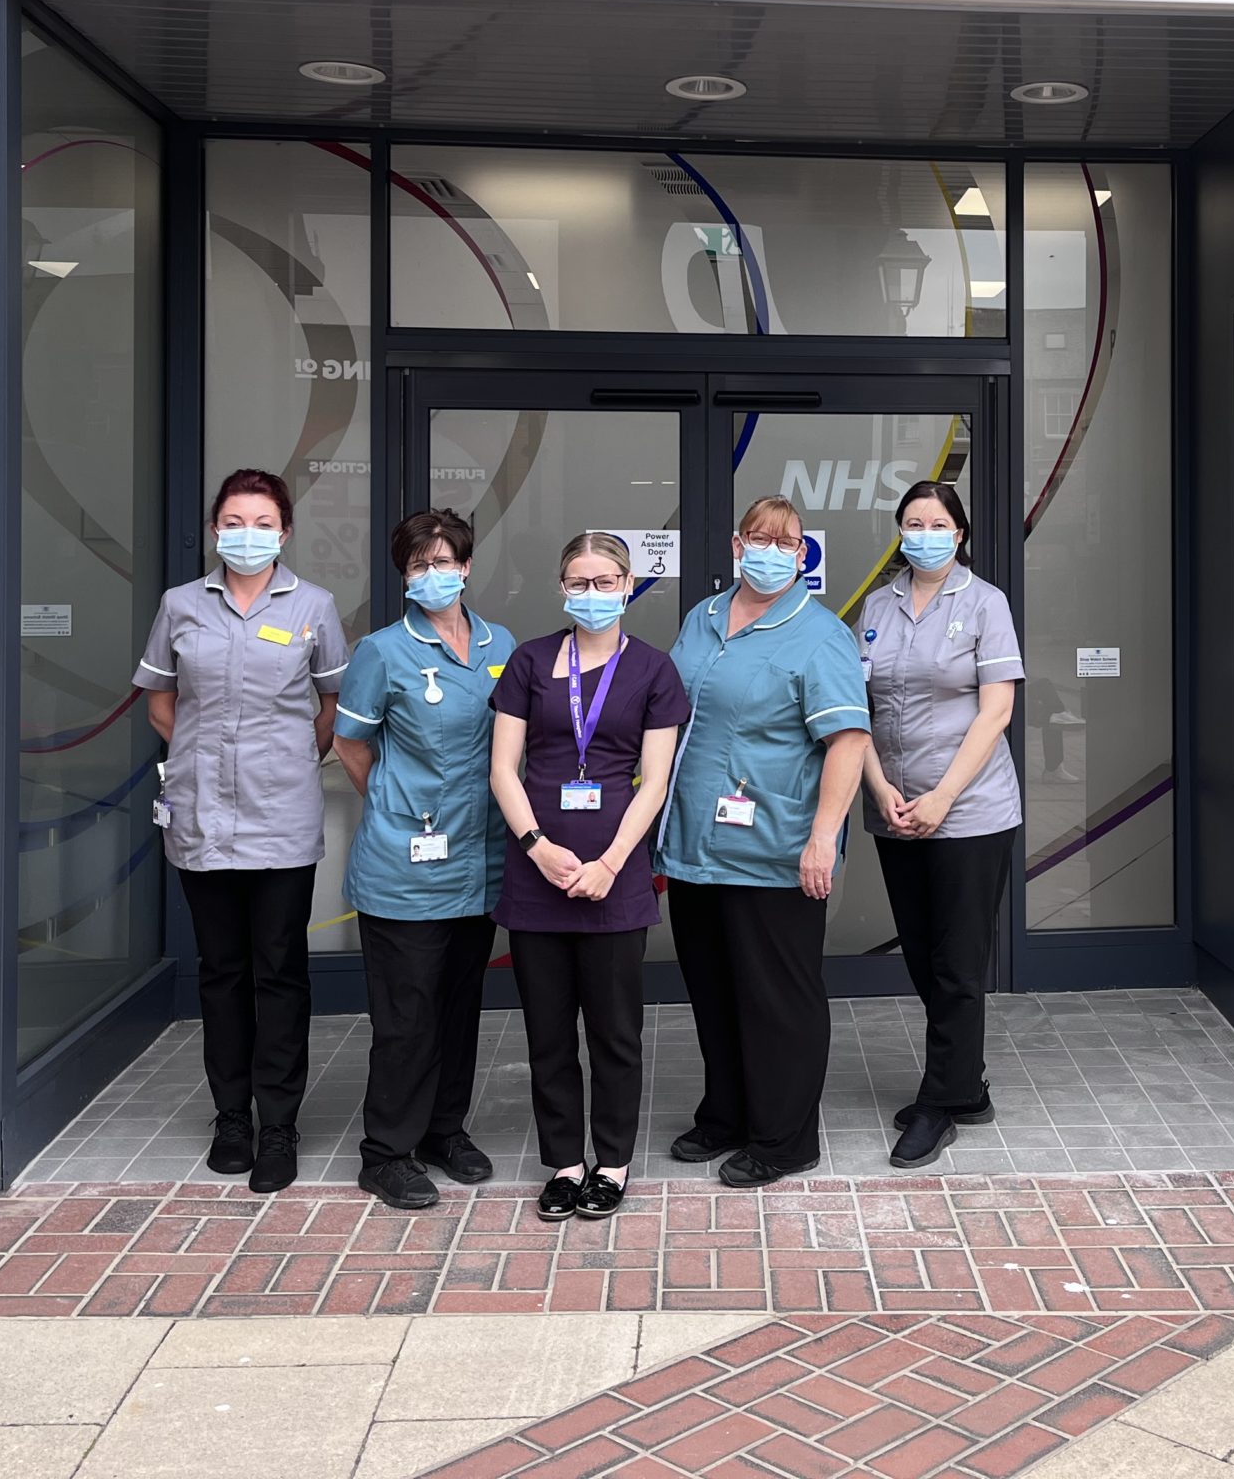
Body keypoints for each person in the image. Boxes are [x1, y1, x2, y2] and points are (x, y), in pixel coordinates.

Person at [134, 467, 348, 1194]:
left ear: (284, 532)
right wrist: (197, 754)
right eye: (235, 521)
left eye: (263, 523)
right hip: (201, 818)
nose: (247, 534)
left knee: (279, 971)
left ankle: (279, 1124)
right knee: (220, 973)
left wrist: (289, 758)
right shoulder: (181, 605)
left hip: (281, 816)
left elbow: (333, 705)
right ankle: (232, 1118)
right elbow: (162, 701)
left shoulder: (315, 605)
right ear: (215, 528)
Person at [659, 496, 871, 1188]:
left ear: (803, 552)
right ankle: (726, 1116)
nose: (771, 550)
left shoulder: (820, 634)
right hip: (696, 845)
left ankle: (784, 1138)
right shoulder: (704, 617)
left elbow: (847, 742)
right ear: (735, 543)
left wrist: (822, 839)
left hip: (775, 851)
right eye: (759, 537)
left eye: (787, 541)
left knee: (777, 999)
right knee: (715, 990)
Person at [490, 532, 689, 1221]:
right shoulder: (530, 661)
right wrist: (538, 845)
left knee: (613, 1033)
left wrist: (610, 862)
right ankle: (564, 1164)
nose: (593, 594)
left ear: (628, 585)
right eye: (581, 581)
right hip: (535, 877)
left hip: (616, 881)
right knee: (547, 1033)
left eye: (606, 581)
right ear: (562, 586)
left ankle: (611, 1163)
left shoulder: (655, 671)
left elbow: (656, 783)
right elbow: (502, 770)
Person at [331, 507, 517, 1210]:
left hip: (480, 860)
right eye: (418, 565)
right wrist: (391, 803)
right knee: (406, 1018)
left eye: (444, 562)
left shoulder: (502, 643)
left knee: (459, 1008)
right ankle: (386, 1151)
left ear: (467, 568)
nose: (432, 574)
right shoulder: (383, 651)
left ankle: (445, 1130)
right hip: (404, 867)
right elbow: (352, 744)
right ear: (404, 576)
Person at [858, 480, 1025, 1167]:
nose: (923, 532)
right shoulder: (876, 604)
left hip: (971, 811)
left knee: (957, 963)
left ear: (959, 533)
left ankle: (941, 1103)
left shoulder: (986, 603)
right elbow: (854, 707)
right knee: (926, 955)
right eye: (912, 522)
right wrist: (881, 787)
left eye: (937, 523)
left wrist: (941, 798)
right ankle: (967, 1087)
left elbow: (996, 712)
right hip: (894, 807)